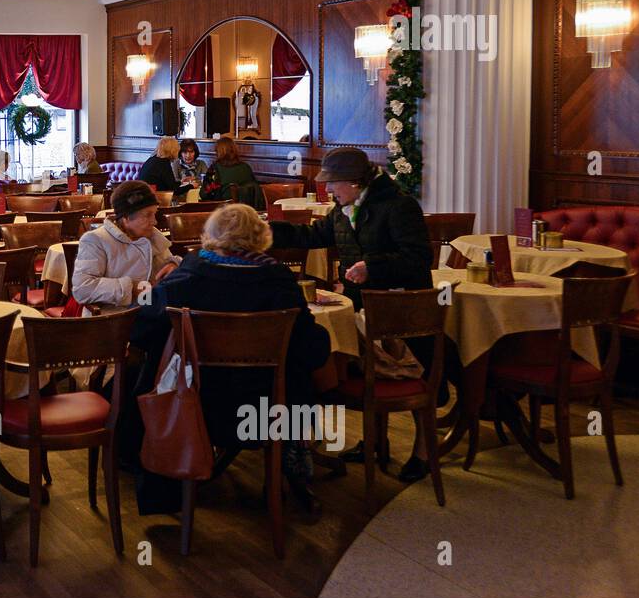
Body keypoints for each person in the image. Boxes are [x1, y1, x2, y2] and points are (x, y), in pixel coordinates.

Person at [130, 204, 332, 512]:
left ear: (211, 235)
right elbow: (312, 351)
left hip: (195, 408)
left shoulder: (189, 275)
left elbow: (140, 328)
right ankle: (287, 471)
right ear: (261, 237)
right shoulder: (278, 279)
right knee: (300, 373)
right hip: (269, 411)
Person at [268, 146, 436, 482]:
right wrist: (267, 231)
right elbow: (313, 236)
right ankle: (374, 441)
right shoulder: (343, 209)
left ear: (356, 183)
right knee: (369, 372)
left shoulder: (399, 206)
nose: (328, 190)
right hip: (365, 307)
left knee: (412, 376)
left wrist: (372, 267)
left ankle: (424, 450)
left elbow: (418, 258)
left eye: (334, 184)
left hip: (403, 311)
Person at [72, 180, 179, 310]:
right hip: (114, 321)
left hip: (152, 317)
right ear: (126, 218)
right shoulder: (95, 240)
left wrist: (175, 265)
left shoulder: (152, 236)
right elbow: (82, 289)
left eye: (154, 214)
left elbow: (168, 266)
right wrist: (131, 289)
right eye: (148, 215)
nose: (154, 221)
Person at [199, 137, 264, 209]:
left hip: (223, 209)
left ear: (219, 151)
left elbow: (203, 194)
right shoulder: (246, 167)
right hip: (247, 209)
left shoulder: (215, 168)